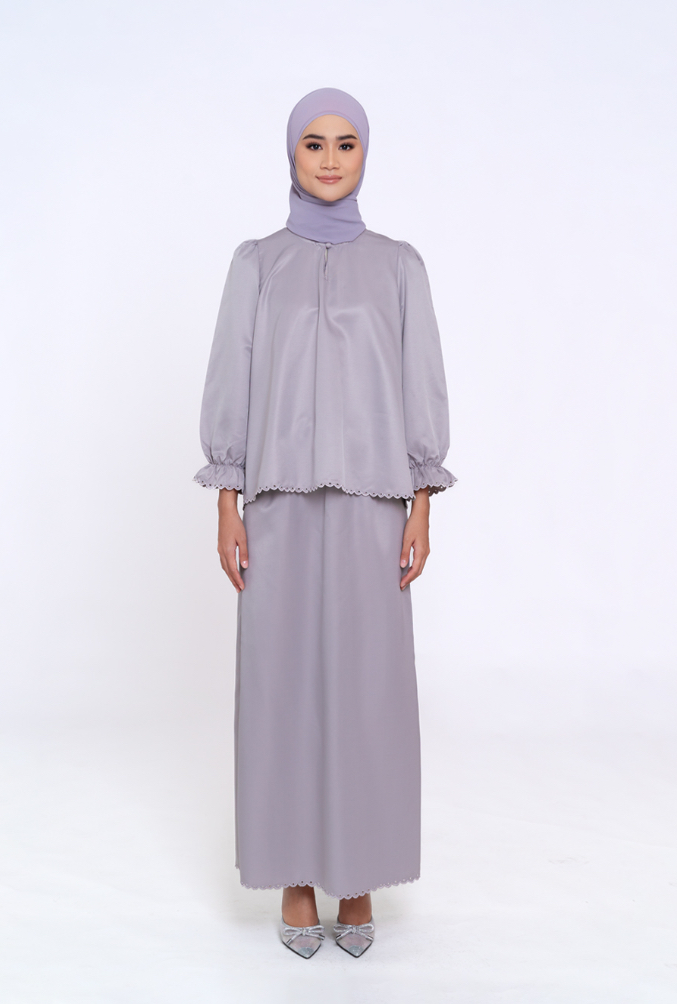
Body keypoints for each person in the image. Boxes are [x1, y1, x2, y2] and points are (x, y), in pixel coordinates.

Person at [194, 88, 455, 959]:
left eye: (346, 143)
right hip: (275, 507)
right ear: (292, 154)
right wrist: (227, 501)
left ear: (365, 154)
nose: (331, 158)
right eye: (315, 143)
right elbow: (231, 376)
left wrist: (422, 503)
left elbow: (420, 380)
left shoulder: (400, 267)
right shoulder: (256, 264)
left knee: (368, 694)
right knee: (283, 690)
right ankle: (296, 878)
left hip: (374, 510)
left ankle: (359, 875)